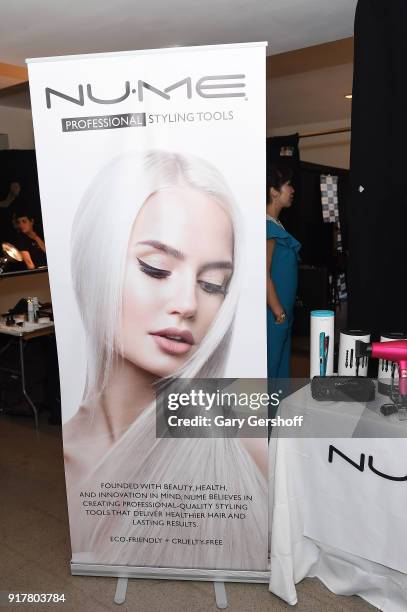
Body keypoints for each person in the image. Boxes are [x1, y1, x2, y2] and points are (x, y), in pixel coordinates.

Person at [63, 150, 268, 569]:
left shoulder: (248, 443)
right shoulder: (67, 458)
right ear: (94, 261)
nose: (187, 304)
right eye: (155, 269)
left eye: (213, 285)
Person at [266, 166, 301, 379]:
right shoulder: (266, 225)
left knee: (279, 371)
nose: (293, 189)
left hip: (280, 315)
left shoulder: (276, 224)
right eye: (288, 185)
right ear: (273, 191)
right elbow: (263, 273)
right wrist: (279, 312)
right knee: (270, 371)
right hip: (273, 314)